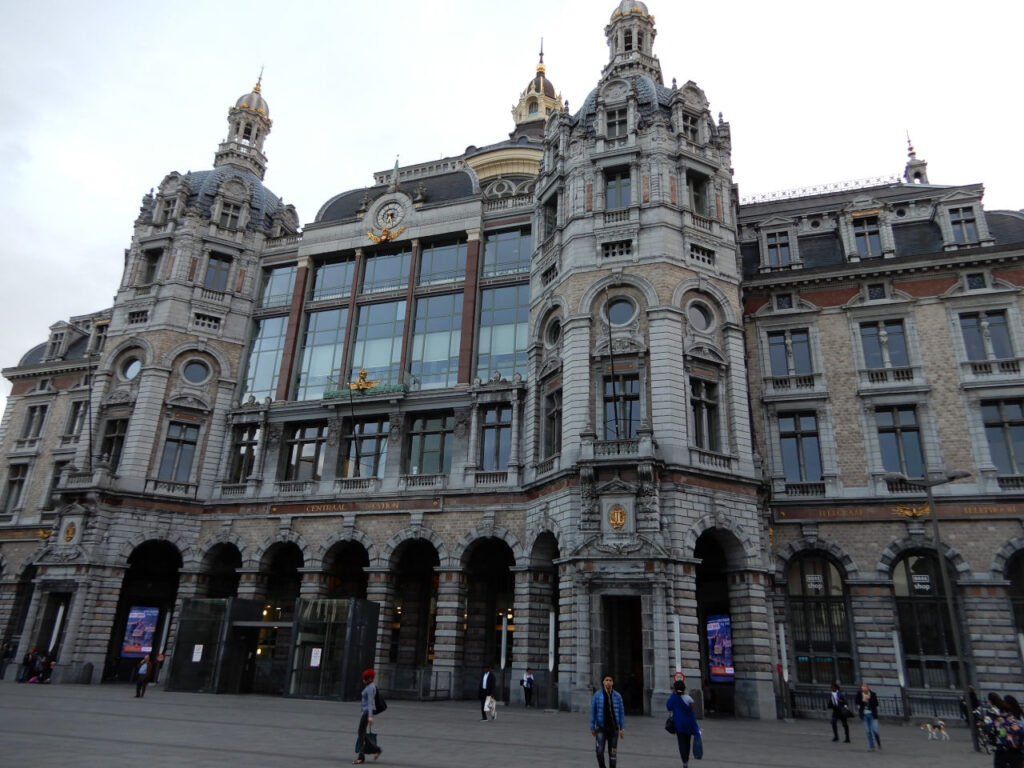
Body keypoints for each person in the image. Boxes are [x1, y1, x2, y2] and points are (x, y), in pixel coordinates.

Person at [590, 674, 625, 768]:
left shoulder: (617, 696)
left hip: (614, 730)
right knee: (599, 752)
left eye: (610, 680)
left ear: (612, 682)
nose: (608, 682)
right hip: (601, 729)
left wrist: (622, 728)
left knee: (613, 755)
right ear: (603, 682)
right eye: (606, 680)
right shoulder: (597, 695)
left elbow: (621, 712)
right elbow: (593, 711)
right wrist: (592, 726)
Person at [666, 679, 699, 768]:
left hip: (679, 724)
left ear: (675, 689)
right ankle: (686, 759)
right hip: (688, 724)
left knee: (681, 743)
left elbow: (668, 707)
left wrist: (673, 694)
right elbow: (692, 711)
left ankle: (684, 762)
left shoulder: (673, 698)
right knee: (687, 742)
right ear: (684, 688)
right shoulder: (689, 698)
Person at [353, 668, 382, 765]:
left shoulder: (370, 688)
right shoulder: (372, 686)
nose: (363, 680)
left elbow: (370, 703)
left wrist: (370, 716)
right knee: (361, 732)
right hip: (366, 712)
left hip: (366, 712)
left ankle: (361, 757)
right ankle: (375, 749)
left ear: (370, 678)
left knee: (361, 733)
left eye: (365, 678)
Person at [855, 681, 881, 750]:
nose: (864, 688)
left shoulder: (872, 694)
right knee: (868, 731)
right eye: (862, 687)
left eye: (865, 687)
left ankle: (878, 743)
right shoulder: (859, 694)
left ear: (868, 688)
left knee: (875, 730)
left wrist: (869, 699)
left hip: (872, 714)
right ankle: (871, 746)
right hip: (864, 715)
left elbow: (876, 704)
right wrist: (862, 700)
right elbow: (857, 702)